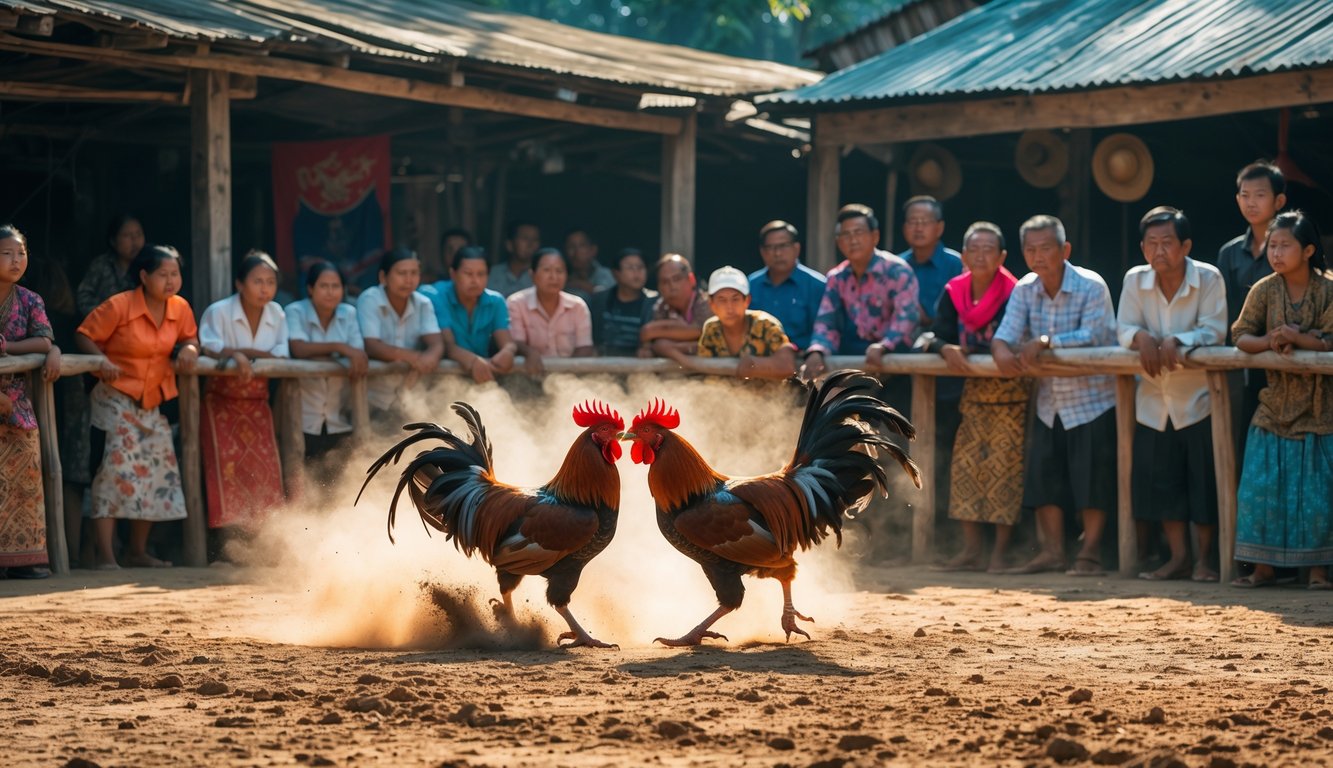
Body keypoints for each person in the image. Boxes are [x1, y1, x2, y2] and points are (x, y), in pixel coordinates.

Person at [992, 215, 1117, 576]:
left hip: (1092, 399)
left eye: (1045, 248)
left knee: (1092, 480)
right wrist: (1000, 349)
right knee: (1045, 479)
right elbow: (1007, 333)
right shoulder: (1025, 288)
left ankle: (1089, 554)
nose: (1037, 256)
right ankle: (1052, 552)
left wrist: (1046, 342)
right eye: (1030, 249)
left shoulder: (1091, 285)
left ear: (1065, 250)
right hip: (1049, 402)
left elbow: (1095, 335)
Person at [1116, 207, 1227, 582]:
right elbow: (1123, 327)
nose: (1158, 251)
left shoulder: (1208, 277)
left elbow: (1215, 331)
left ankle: (1205, 562)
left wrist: (1176, 340)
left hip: (1197, 399)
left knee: (1203, 482)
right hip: (1152, 399)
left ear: (1186, 246)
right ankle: (1179, 558)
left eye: (1167, 242)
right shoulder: (1135, 279)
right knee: (1164, 484)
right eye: (1151, 243)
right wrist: (1141, 337)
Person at [76, 244, 200, 570]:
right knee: (111, 473)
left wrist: (189, 348)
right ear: (144, 276)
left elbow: (190, 337)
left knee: (156, 475)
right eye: (164, 274)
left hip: (151, 403)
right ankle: (106, 556)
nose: (171, 280)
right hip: (114, 398)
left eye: (176, 274)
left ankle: (136, 551)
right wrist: (99, 361)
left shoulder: (181, 308)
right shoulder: (120, 305)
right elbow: (84, 335)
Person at [1230, 210, 1333, 589]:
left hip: (1321, 410)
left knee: (1318, 497)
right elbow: (1240, 334)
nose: (1275, 253)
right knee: (1259, 491)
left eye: (1284, 245)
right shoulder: (1264, 289)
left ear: (1308, 250)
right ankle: (1262, 569)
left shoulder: (1328, 289)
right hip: (1274, 406)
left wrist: (1299, 337)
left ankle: (1319, 571)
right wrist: (1270, 340)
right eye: (1271, 245)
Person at [917, 222, 1026, 573]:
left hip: (1012, 394)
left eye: (988, 249)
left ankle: (999, 554)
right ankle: (971, 550)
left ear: (1002, 257)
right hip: (971, 396)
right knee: (966, 471)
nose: (980, 256)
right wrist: (944, 347)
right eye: (973, 250)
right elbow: (932, 334)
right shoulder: (954, 291)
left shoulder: (1016, 292)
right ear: (963, 256)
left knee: (1004, 473)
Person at [199, 250, 289, 535]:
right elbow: (209, 347)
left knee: (263, 470)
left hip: (257, 402)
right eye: (257, 281)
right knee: (225, 469)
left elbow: (280, 356)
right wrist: (238, 355)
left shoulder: (277, 313)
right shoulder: (219, 311)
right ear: (239, 284)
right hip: (221, 402)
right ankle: (226, 544)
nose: (265, 288)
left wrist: (239, 353)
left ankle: (262, 542)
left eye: (270, 281)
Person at [1218, 161, 1287, 467]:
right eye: (1245, 195)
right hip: (1242, 359)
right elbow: (1225, 311)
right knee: (1241, 442)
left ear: (1279, 201)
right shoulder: (1229, 253)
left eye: (1260, 195)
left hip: (1287, 357)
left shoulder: (1292, 248)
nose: (1251, 202)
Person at [901, 196, 964, 524]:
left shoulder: (956, 264)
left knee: (950, 452)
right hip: (903, 378)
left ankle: (945, 528)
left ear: (939, 227)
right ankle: (910, 526)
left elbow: (962, 316)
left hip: (950, 374)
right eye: (912, 221)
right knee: (909, 452)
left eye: (925, 221)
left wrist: (927, 321)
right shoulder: (896, 266)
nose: (918, 227)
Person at [802, 204, 921, 379]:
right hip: (855, 362)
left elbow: (907, 319)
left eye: (859, 232)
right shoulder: (837, 277)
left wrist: (884, 346)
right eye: (846, 234)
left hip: (895, 359)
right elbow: (827, 321)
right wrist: (817, 350)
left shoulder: (898, 271)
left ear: (875, 236)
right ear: (838, 242)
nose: (853, 240)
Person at [0, 224, 56, 579]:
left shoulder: (30, 299)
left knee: (25, 482)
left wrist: (6, 347)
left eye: (21, 253)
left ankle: (24, 559)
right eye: (7, 253)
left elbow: (45, 341)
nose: (16, 260)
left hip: (17, 402)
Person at [285, 262, 368, 477]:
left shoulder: (349, 313)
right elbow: (299, 349)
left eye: (336, 286)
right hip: (303, 415)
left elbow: (357, 353)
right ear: (310, 288)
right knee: (302, 478)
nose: (331, 292)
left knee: (338, 484)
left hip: (339, 414)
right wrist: (339, 348)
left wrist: (325, 353)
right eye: (324, 286)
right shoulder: (295, 311)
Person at [356, 248, 444, 417]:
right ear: (383, 277)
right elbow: (372, 346)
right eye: (402, 273)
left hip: (410, 396)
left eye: (414, 273)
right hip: (372, 397)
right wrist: (415, 358)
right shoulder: (369, 299)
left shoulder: (423, 303)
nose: (409, 280)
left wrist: (429, 359)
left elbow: (437, 343)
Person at [421, 246, 517, 384]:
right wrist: (472, 360)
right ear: (453, 274)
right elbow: (447, 345)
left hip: (480, 378)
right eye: (468, 273)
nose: (475, 280)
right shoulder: (435, 296)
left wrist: (508, 352)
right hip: (438, 380)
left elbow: (506, 341)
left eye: (481, 274)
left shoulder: (496, 301)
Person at [695, 266, 795, 380]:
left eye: (735, 299)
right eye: (722, 300)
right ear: (712, 304)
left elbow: (787, 366)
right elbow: (704, 370)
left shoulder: (766, 324)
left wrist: (753, 365)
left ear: (747, 301)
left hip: (769, 395)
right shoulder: (711, 328)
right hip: (726, 395)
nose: (729, 308)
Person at [506, 247, 594, 376]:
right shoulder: (516, 303)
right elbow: (515, 342)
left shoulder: (578, 306)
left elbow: (584, 347)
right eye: (546, 270)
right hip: (527, 376)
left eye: (559, 271)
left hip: (570, 379)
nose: (554, 277)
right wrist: (530, 353)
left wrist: (567, 375)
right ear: (533, 275)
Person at [747, 220, 827, 351]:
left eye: (783, 246)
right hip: (757, 363)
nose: (777, 253)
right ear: (762, 252)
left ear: (796, 248)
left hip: (802, 363)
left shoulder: (817, 285)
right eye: (771, 247)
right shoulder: (750, 284)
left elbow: (825, 331)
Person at [641, 253, 714, 366]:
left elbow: (702, 332)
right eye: (665, 282)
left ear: (691, 279)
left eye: (677, 279)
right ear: (659, 286)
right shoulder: (660, 307)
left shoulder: (708, 303)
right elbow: (646, 334)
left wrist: (669, 343)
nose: (672, 286)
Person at [589, 247, 657, 357]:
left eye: (640, 267)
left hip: (639, 368)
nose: (637, 272)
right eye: (630, 267)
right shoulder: (600, 300)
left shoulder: (654, 303)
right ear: (616, 273)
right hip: (603, 366)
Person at [77, 214, 145, 320]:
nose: (134, 240)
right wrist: (107, 315)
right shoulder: (101, 265)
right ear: (113, 241)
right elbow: (83, 298)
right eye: (127, 235)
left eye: (138, 234)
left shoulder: (150, 265)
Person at [563, 229, 615, 305]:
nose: (576, 252)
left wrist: (579, 284)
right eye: (571, 246)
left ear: (593, 250)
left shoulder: (608, 275)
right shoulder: (561, 277)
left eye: (582, 246)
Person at [488, 221, 540, 297]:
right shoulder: (492, 274)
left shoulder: (541, 276)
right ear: (509, 244)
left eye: (535, 239)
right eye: (525, 238)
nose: (530, 244)